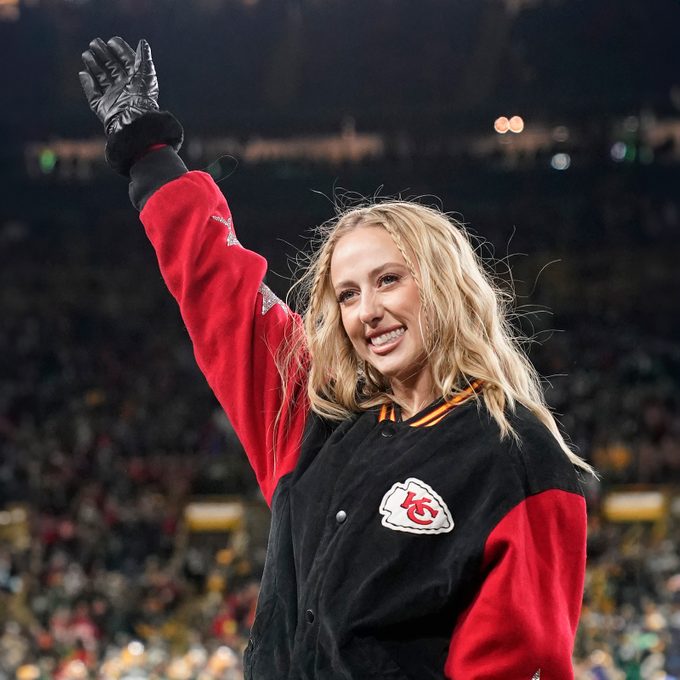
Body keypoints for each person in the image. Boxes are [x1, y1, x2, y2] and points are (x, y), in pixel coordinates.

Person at [79, 36, 593, 679]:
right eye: (347, 294)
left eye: (388, 281)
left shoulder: (513, 453)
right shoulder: (314, 419)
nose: (366, 311)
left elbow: (521, 660)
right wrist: (148, 155)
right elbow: (222, 294)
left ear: (444, 286)